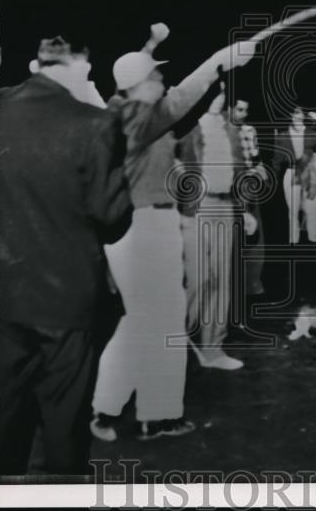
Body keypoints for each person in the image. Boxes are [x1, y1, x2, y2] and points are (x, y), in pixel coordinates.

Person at [91, 25, 251, 443]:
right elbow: (181, 96)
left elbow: (139, 86)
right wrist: (221, 59)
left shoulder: (123, 110)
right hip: (145, 227)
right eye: (156, 76)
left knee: (145, 321)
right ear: (140, 86)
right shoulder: (137, 118)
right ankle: (149, 415)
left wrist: (150, 45)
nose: (162, 81)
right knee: (159, 322)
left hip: (146, 225)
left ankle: (111, 410)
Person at [0, 36, 133, 475]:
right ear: (76, 68)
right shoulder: (92, 123)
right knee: (64, 420)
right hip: (67, 300)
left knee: (3, 416)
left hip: (1, 296)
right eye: (88, 73)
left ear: (38, 65)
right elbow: (111, 217)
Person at [178, 90, 247, 370]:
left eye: (222, 94)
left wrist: (243, 210)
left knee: (221, 280)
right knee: (198, 281)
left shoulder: (231, 129)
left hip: (225, 206)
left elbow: (240, 171)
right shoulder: (188, 128)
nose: (219, 99)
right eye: (213, 94)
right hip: (198, 208)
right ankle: (175, 342)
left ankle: (213, 349)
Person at [227, 96, 269, 296]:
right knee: (232, 237)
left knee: (254, 234)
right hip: (226, 187)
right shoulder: (220, 131)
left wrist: (261, 174)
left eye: (246, 110)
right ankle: (232, 284)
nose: (243, 114)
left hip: (247, 186)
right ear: (229, 109)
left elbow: (256, 159)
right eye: (239, 110)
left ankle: (252, 282)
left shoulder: (249, 130)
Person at [273, 105, 316, 245]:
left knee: (311, 208)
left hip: (309, 173)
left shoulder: (313, 134)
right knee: (293, 210)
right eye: (293, 113)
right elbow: (276, 161)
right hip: (291, 173)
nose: (296, 116)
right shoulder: (282, 136)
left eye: (299, 113)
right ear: (290, 116)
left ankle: (313, 239)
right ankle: (293, 241)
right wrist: (274, 179)